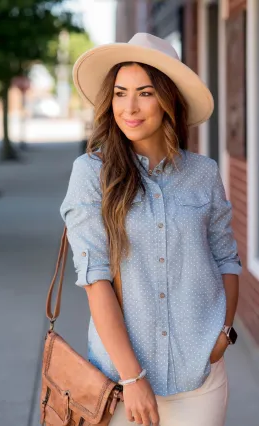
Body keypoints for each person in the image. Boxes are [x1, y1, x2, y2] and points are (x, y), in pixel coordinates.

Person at [60, 33, 242, 426]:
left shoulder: (203, 173)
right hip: (121, 384)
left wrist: (223, 334)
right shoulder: (91, 174)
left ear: (168, 99)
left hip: (201, 379)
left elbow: (226, 257)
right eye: (120, 93)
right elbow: (95, 279)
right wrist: (133, 377)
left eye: (144, 93)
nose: (130, 107)